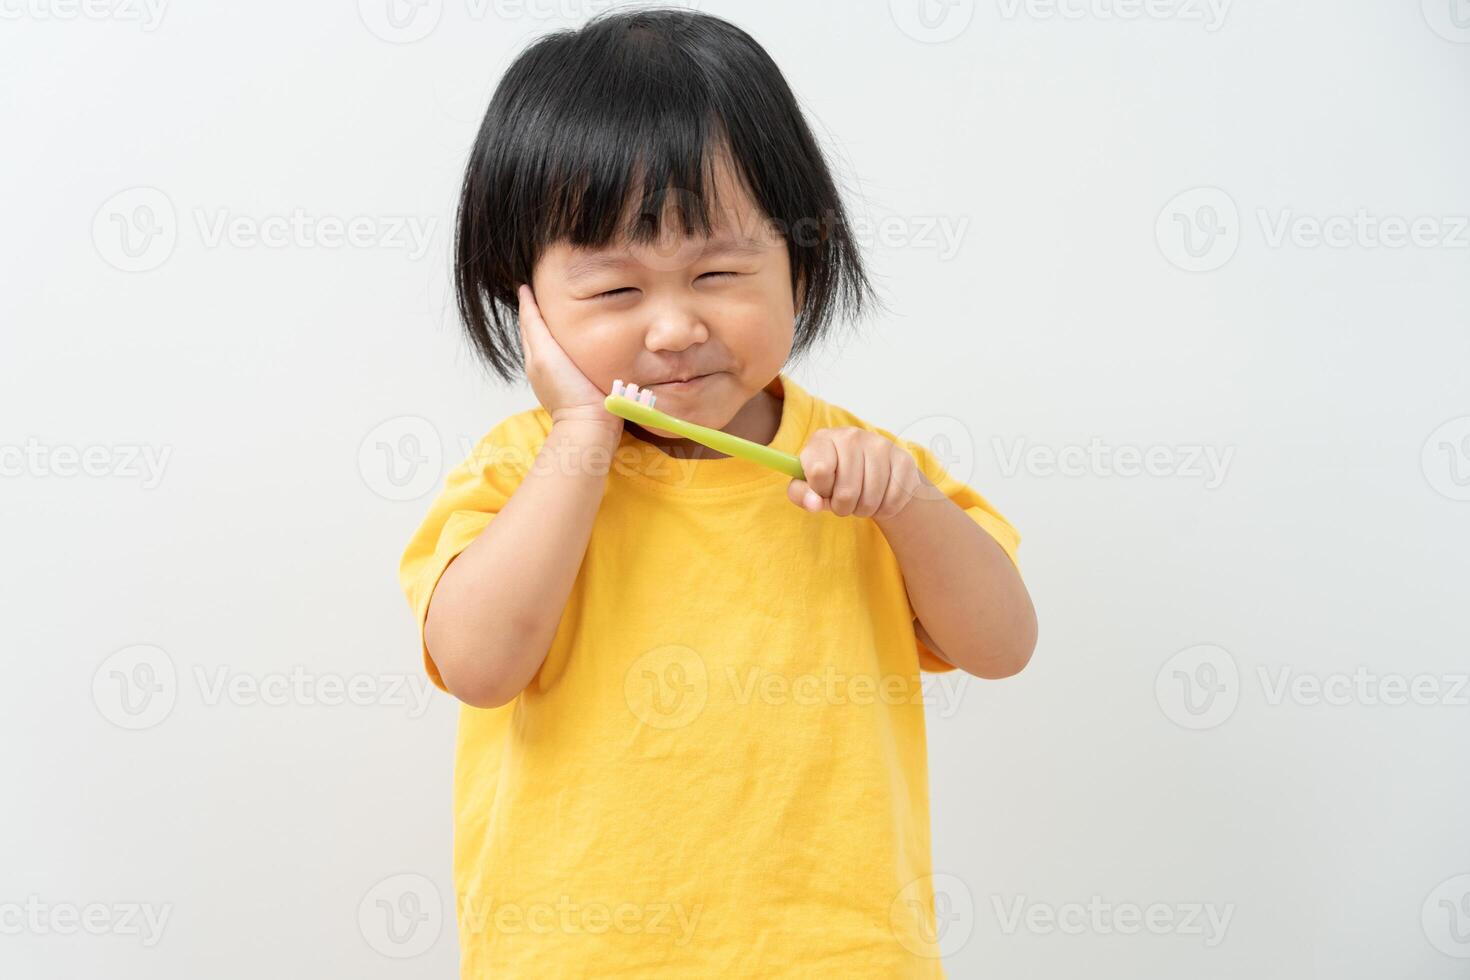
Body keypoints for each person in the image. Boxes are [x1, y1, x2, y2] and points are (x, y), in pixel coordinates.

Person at [398, 7, 1037, 975]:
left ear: (800, 259)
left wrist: (908, 507)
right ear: (523, 301)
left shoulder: (863, 469)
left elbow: (1003, 643)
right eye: (615, 292)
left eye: (719, 271)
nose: (672, 327)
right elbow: (480, 661)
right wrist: (580, 437)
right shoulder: (522, 473)